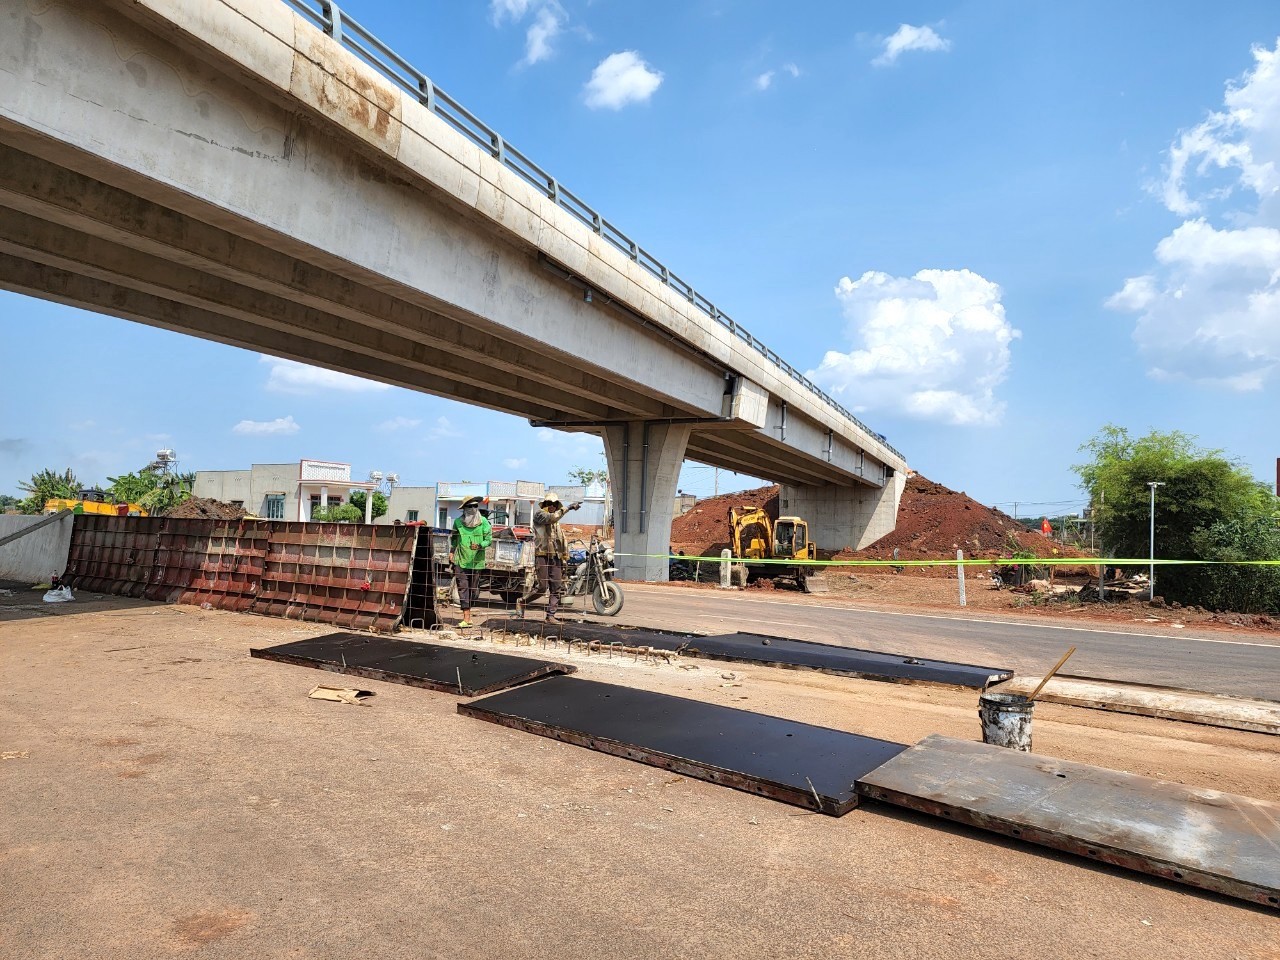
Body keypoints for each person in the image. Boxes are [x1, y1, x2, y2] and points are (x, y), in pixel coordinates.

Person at [519, 493, 581, 621]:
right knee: (542, 587)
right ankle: (522, 602)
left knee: (556, 587)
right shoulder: (540, 515)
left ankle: (551, 615)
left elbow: (560, 539)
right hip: (542, 555)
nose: (552, 506)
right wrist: (568, 507)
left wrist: (564, 557)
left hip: (555, 556)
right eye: (549, 504)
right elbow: (551, 518)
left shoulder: (556, 523)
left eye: (554, 504)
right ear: (545, 505)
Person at [450, 495, 491, 628]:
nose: (473, 508)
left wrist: (480, 545)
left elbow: (489, 540)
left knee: (473, 590)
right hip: (461, 560)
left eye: (475, 506)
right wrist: (451, 552)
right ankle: (466, 618)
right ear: (464, 509)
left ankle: (468, 616)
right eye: (470, 506)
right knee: (463, 588)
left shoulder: (484, 522)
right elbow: (454, 539)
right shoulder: (458, 522)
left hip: (477, 561)